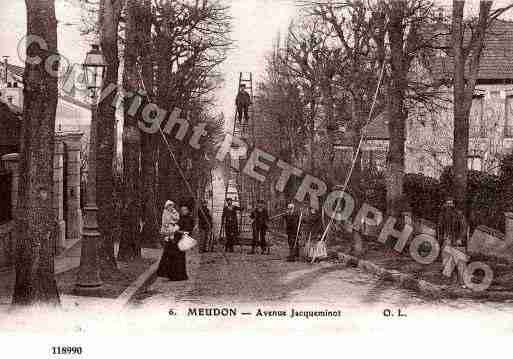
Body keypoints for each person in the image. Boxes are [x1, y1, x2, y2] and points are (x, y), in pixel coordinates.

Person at [437, 197, 468, 285]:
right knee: (446, 262)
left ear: (454, 205)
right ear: (445, 205)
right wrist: (440, 240)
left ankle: (462, 283)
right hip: (446, 241)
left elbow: (464, 228)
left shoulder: (459, 215)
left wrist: (460, 239)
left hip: (457, 242)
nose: (449, 206)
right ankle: (449, 282)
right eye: (447, 204)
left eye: (451, 204)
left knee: (460, 263)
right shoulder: (442, 215)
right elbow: (439, 228)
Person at [157, 201, 189, 281]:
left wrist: (177, 230)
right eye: (182, 210)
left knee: (178, 258)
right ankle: (169, 274)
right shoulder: (167, 213)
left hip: (178, 240)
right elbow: (166, 223)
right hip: (172, 239)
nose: (170, 208)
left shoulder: (184, 217)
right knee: (170, 257)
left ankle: (178, 275)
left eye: (185, 210)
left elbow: (185, 229)